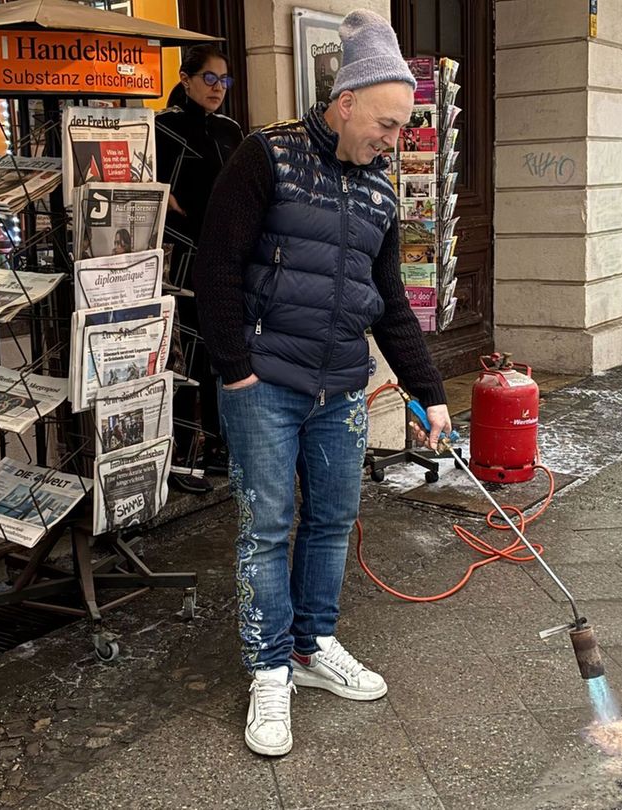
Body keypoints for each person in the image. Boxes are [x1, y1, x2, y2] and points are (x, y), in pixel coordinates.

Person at [193, 10, 452, 757]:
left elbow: (392, 303)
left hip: (339, 385)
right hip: (265, 385)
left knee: (332, 522)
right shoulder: (264, 156)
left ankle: (312, 647)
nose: (394, 139)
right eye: (387, 123)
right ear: (346, 102)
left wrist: (429, 391)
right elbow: (215, 269)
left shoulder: (379, 191)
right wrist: (236, 370)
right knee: (267, 529)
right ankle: (269, 669)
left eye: (403, 128)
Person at [157, 44, 244, 495]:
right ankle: (183, 451)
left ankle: (218, 446)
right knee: (184, 352)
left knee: (221, 348)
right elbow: (152, 192)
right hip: (183, 255)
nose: (217, 89)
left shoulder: (230, 130)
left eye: (224, 81)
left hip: (228, 256)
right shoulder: (163, 127)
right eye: (209, 78)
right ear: (186, 77)